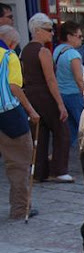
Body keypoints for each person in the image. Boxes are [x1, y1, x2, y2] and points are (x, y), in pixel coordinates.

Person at [21, 13, 73, 184]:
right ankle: (59, 170)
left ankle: (39, 172)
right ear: (37, 30)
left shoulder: (24, 50)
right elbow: (50, 79)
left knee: (40, 133)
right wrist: (60, 104)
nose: (51, 33)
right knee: (61, 130)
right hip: (45, 94)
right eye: (48, 29)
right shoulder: (42, 51)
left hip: (30, 94)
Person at [0, 25, 39, 219]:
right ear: (12, 43)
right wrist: (31, 111)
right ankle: (20, 208)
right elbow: (14, 87)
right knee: (19, 163)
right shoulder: (9, 56)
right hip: (9, 115)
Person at [53, 21, 84, 149]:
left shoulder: (57, 50)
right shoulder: (73, 54)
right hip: (75, 94)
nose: (81, 40)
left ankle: (62, 154)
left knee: (70, 129)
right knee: (83, 126)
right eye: (79, 36)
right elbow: (79, 78)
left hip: (62, 94)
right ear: (70, 36)